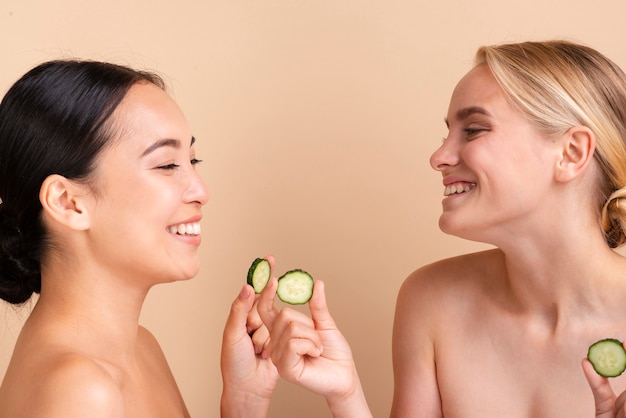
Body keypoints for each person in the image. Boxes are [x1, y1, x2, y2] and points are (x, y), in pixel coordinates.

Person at [256, 40, 626, 417]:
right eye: (448, 132)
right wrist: (345, 394)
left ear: (571, 153)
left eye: (474, 130)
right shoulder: (432, 301)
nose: (439, 157)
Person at [0, 59, 278, 417]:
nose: (200, 190)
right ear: (67, 202)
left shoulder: (140, 348)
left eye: (194, 160)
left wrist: (243, 404)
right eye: (166, 165)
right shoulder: (81, 391)